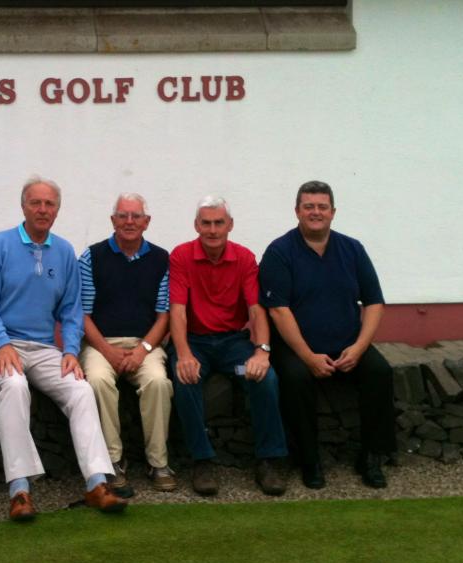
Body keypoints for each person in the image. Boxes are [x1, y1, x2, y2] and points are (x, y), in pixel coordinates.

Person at [0, 176, 128, 521]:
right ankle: (20, 491)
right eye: (35, 203)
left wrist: (71, 351)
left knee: (81, 390)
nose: (43, 210)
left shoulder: (63, 251)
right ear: (23, 206)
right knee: (14, 386)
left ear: (57, 210)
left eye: (50, 204)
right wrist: (1, 342)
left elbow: (72, 311)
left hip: (44, 347)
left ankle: (97, 482)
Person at [259, 180, 396, 490]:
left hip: (348, 343)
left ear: (333, 212)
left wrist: (360, 348)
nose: (316, 212)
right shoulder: (280, 252)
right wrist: (307, 357)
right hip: (296, 347)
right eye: (309, 206)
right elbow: (278, 310)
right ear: (297, 211)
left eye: (322, 207)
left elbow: (374, 302)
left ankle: (372, 456)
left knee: (379, 372)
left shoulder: (352, 249)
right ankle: (309, 460)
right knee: (295, 379)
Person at [167, 196, 288, 496]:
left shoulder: (245, 258)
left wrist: (262, 351)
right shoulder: (181, 256)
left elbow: (256, 309)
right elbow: (177, 310)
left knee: (266, 378)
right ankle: (202, 460)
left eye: (218, 222)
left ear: (230, 225)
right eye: (205, 223)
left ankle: (269, 459)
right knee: (185, 379)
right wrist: (182, 354)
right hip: (194, 340)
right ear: (196, 225)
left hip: (234, 341)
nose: (212, 229)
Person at [78, 193, 176, 495]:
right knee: (95, 381)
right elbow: (82, 314)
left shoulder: (162, 259)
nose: (129, 222)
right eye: (123, 215)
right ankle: (112, 461)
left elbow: (164, 316)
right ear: (113, 220)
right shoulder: (91, 257)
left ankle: (158, 462)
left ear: (147, 222)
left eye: (136, 216)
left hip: (145, 343)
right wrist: (107, 351)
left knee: (158, 382)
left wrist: (142, 350)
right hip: (100, 342)